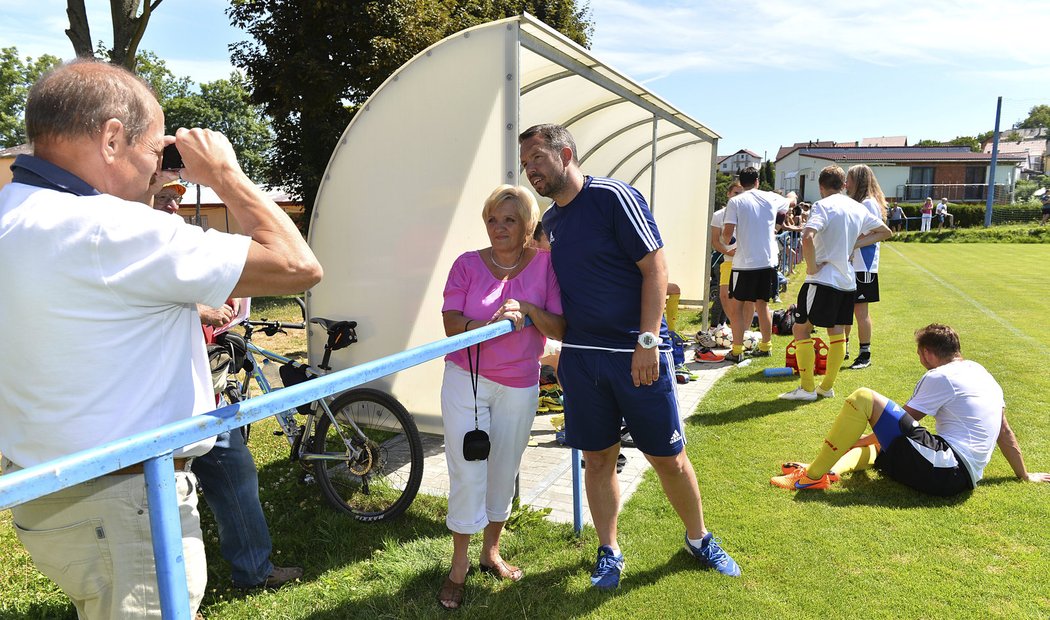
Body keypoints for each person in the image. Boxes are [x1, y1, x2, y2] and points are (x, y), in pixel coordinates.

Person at [0, 60, 322, 619]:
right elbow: (297, 266)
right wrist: (225, 173)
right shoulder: (109, 228)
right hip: (126, 503)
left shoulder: (11, 215)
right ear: (111, 138)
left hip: (49, 495)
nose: (157, 173)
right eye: (154, 152)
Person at [519, 123, 741, 590]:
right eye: (525, 164)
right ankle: (609, 549)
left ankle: (699, 539)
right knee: (597, 460)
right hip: (582, 359)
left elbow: (656, 266)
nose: (530, 169)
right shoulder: (552, 223)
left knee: (668, 458)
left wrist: (648, 340)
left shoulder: (614, 197)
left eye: (537, 157)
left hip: (635, 355)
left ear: (565, 153)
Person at [149, 183, 303, 591]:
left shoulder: (182, 245)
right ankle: (171, 594)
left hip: (205, 398)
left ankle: (253, 570)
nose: (173, 203)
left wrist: (224, 320)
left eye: (175, 196)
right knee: (154, 504)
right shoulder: (133, 245)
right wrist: (197, 308)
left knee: (236, 476)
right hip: (154, 411)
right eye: (161, 195)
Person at [438, 185, 565, 609]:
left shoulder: (547, 265)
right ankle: (459, 565)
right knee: (466, 467)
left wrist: (528, 310)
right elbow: (450, 322)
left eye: (510, 219)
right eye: (493, 219)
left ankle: (491, 551)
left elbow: (561, 327)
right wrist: (485, 323)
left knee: (504, 467)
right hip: (465, 378)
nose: (499, 227)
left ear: (529, 225)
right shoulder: (467, 264)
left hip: (519, 382)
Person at [772, 324, 1050, 493]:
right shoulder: (981, 372)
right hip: (958, 477)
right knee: (890, 445)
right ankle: (828, 471)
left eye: (919, 354)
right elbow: (1005, 431)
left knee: (863, 397)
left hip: (943, 469)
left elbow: (892, 427)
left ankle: (811, 478)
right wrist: (1024, 475)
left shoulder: (940, 376)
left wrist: (850, 443)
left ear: (928, 353)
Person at [779, 166, 892, 402]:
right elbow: (885, 231)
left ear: (821, 187)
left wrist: (811, 267)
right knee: (837, 332)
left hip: (822, 279)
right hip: (847, 280)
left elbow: (807, 237)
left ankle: (808, 388)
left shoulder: (823, 205)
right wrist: (853, 246)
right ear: (843, 185)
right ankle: (826, 387)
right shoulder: (856, 207)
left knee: (801, 329)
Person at [721, 167, 796, 363]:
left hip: (744, 263)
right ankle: (765, 346)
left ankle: (737, 351)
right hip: (767, 261)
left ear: (741, 182)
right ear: (757, 181)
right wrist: (790, 197)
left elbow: (727, 233)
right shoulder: (770, 197)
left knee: (737, 307)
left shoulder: (735, 201)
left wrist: (727, 243)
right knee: (762, 306)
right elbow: (791, 201)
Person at [842, 165, 888, 370]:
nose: (846, 183)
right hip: (853, 265)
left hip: (864, 266)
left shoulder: (869, 203)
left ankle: (865, 354)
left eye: (849, 179)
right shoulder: (860, 202)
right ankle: (843, 348)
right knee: (845, 308)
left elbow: (871, 233)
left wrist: (852, 245)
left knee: (860, 311)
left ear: (858, 181)